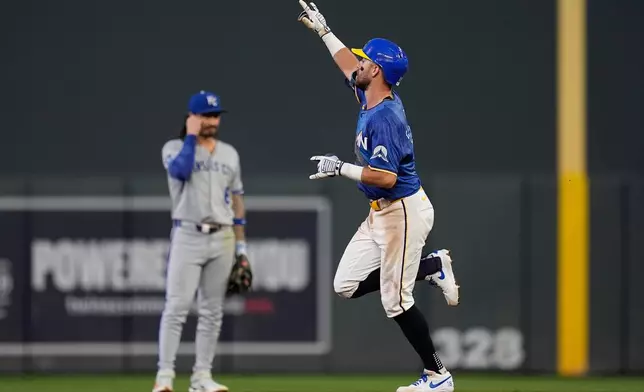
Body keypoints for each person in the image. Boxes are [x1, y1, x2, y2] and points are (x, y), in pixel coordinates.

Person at [298, 2, 459, 391]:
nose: (358, 64)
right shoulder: (370, 98)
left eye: (365, 61)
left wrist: (340, 168)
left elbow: (385, 177)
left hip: (402, 210)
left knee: (396, 302)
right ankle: (430, 265)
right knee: (345, 285)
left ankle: (438, 376)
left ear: (378, 72)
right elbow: (344, 64)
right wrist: (324, 33)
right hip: (381, 213)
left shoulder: (384, 116)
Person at [154, 91, 249, 392]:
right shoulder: (174, 148)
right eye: (206, 115)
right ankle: (165, 377)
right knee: (176, 307)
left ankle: (201, 378)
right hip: (187, 234)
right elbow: (180, 171)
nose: (212, 120)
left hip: (222, 236)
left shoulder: (229, 154)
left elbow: (237, 201)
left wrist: (241, 247)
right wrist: (191, 137)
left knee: (212, 311)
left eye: (215, 115)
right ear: (191, 118)